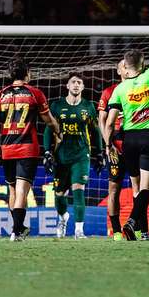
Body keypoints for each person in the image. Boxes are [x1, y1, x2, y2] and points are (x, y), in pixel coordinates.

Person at [0, 58, 61, 241]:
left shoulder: (0, 95)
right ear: (27, 74)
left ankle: (18, 227)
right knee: (22, 189)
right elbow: (48, 120)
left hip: (7, 148)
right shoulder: (34, 93)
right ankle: (16, 231)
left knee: (13, 190)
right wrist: (58, 131)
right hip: (27, 148)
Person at [104, 6, 149, 240]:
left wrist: (108, 145)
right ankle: (133, 223)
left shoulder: (119, 89)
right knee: (146, 190)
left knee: (136, 186)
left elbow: (109, 123)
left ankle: (138, 231)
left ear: (125, 66)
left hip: (129, 141)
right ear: (142, 66)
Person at [44, 73, 102, 239]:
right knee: (59, 195)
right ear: (67, 86)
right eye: (73, 82)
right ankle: (63, 218)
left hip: (81, 155)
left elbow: (95, 130)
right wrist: (47, 151)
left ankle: (79, 230)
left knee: (78, 190)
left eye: (79, 82)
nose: (76, 84)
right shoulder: (57, 106)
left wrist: (99, 152)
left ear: (83, 87)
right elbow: (49, 129)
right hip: (61, 156)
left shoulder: (88, 106)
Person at [99, 60, 141, 240]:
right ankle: (116, 231)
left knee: (138, 189)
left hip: (134, 145)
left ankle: (136, 227)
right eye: (123, 66)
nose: (126, 68)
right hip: (115, 148)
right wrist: (108, 145)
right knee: (114, 189)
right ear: (118, 71)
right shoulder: (109, 92)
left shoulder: (140, 90)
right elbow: (102, 121)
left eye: (128, 65)